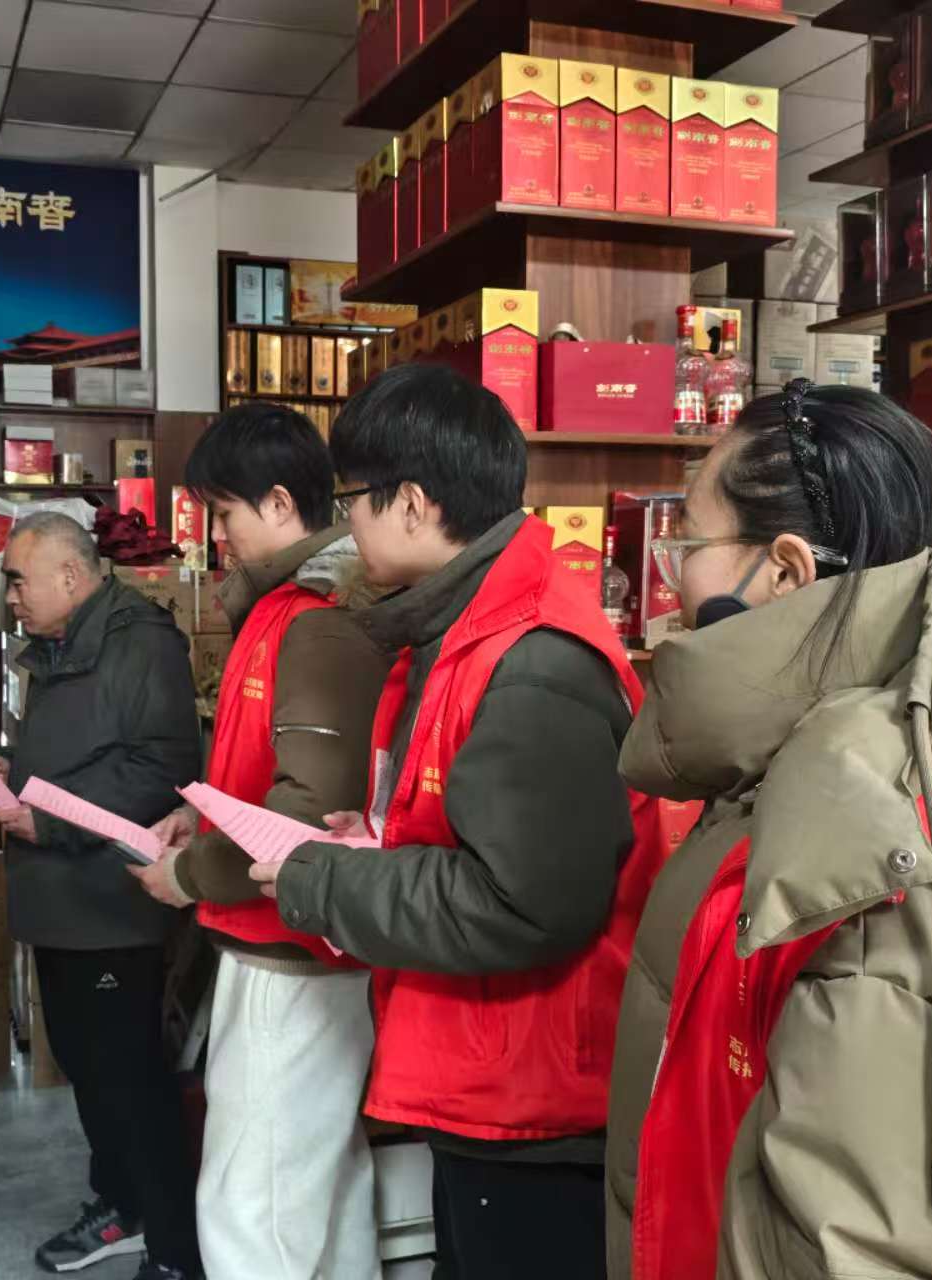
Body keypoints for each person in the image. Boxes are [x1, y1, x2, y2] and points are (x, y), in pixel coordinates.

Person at [604, 381, 932, 1280]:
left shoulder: (884, 854)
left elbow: (867, 1253)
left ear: (787, 572)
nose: (671, 581)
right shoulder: (821, 773)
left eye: (689, 545)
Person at [249, 364, 663, 1278]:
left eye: (352, 500)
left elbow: (523, 902)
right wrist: (379, 838)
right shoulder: (467, 626)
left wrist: (327, 880)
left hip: (534, 1094)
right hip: (494, 1067)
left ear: (411, 504)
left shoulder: (532, 658)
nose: (346, 526)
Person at [130, 403, 390, 1280]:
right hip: (284, 940)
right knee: (319, 1193)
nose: (218, 535)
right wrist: (200, 823)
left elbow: (309, 808)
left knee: (253, 1209)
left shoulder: (319, 615)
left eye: (225, 512)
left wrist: (190, 873)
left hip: (291, 954)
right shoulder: (282, 608)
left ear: (280, 502)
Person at [0, 512, 203, 1280]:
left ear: (71, 577)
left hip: (110, 901)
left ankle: (174, 1247)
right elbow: (83, 748)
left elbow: (159, 769)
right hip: (60, 899)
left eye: (18, 579)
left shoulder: (140, 642)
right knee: (86, 1063)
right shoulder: (59, 643)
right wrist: (11, 775)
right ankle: (121, 1203)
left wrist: (47, 817)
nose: (10, 595)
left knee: (131, 1077)